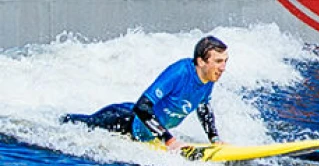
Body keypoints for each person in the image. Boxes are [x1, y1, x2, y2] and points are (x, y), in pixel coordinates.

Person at [62, 36, 228, 150]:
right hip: (123, 123)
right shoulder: (179, 73)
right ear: (200, 61)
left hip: (148, 131)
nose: (223, 67)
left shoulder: (209, 77)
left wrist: (214, 139)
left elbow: (203, 106)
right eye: (218, 61)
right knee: (81, 124)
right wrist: (169, 141)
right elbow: (142, 107)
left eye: (225, 61)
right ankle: (59, 119)